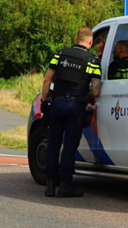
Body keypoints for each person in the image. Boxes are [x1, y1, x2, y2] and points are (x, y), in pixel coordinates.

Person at [40, 27, 102, 198]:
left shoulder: (60, 54)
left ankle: (50, 185)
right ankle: (65, 186)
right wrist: (85, 95)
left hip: (57, 102)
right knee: (69, 147)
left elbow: (47, 79)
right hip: (76, 105)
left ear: (76, 39)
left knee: (53, 143)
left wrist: (45, 101)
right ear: (90, 42)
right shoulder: (92, 60)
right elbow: (96, 91)